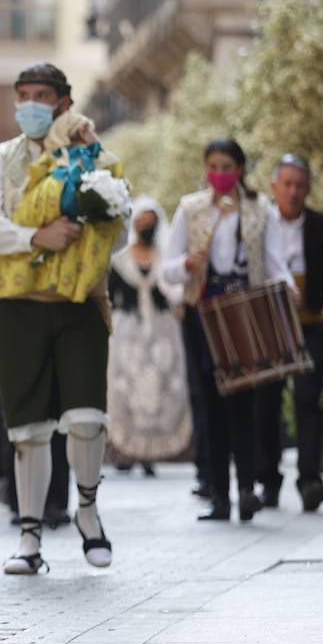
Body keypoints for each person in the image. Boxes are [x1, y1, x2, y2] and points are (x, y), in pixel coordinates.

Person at [0, 62, 124, 576]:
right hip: (17, 307)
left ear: (64, 101)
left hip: (79, 305)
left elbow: (114, 220)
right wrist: (35, 236)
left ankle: (89, 514)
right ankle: (29, 539)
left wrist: (88, 157)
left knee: (86, 418)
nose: (30, 105)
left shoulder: (92, 155)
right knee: (28, 429)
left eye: (42, 96)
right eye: (23, 95)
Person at [163, 139, 292, 522]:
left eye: (226, 166)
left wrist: (289, 288)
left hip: (244, 312)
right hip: (203, 313)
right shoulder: (190, 209)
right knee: (211, 404)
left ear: (240, 168)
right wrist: (187, 263)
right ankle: (219, 495)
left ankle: (247, 489)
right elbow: (166, 270)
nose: (219, 173)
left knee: (244, 402)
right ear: (205, 169)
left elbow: (274, 262)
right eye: (213, 166)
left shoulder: (259, 210)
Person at [254, 154, 323, 512]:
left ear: (308, 188)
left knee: (308, 400)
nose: (293, 192)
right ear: (274, 187)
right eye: (288, 184)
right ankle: (268, 480)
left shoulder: (321, 225)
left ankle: (310, 478)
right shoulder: (260, 222)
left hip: (310, 323)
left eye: (300, 185)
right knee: (266, 404)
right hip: (269, 326)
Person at [0, 244, 72, 526]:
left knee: (54, 412)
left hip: (48, 325)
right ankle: (21, 501)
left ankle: (56, 499)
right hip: (8, 329)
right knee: (15, 416)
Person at [107, 198, 192, 475]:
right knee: (124, 388)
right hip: (127, 336)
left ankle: (151, 452)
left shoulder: (164, 260)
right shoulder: (119, 261)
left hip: (160, 335)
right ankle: (125, 450)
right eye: (141, 221)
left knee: (160, 387)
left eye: (151, 222)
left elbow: (174, 293)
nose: (146, 226)